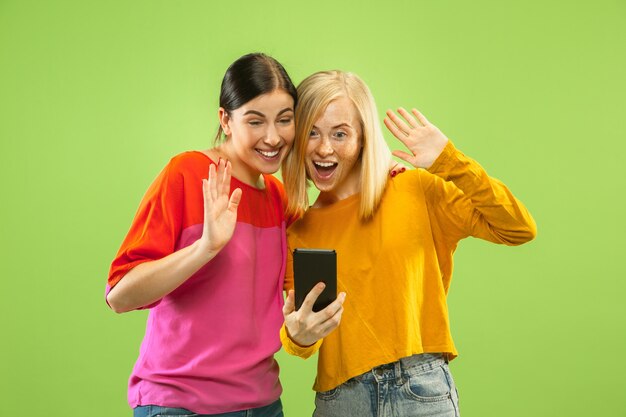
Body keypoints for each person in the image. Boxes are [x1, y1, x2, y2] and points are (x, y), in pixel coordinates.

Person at [279, 70, 537, 417]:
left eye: (340, 133)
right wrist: (298, 336)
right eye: (312, 132)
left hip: (421, 391)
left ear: (363, 139)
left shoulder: (416, 190)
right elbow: (304, 339)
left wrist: (449, 161)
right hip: (343, 401)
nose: (324, 148)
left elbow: (517, 228)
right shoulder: (299, 231)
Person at [106, 53, 298, 417]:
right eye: (255, 121)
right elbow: (120, 295)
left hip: (263, 405)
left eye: (284, 120)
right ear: (225, 119)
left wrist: (381, 172)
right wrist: (205, 248)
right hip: (180, 406)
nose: (273, 137)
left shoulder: (278, 197)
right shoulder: (188, 174)